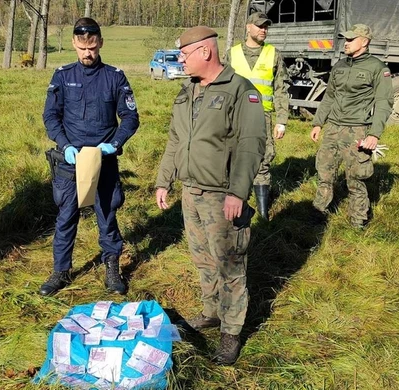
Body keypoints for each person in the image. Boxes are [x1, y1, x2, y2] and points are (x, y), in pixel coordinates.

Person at [155, 26, 265, 365]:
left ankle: (231, 333)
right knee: (203, 259)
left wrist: (238, 192)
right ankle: (212, 312)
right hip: (191, 193)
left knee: (230, 265)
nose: (181, 61)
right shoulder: (187, 92)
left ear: (205, 52)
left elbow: (251, 145)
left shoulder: (240, 91)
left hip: (223, 197)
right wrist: (164, 180)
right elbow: (176, 140)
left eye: (185, 55)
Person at [41, 17, 139, 296]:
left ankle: (112, 270)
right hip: (70, 161)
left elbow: (131, 117)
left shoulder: (115, 77)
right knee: (66, 216)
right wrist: (64, 144)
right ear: (74, 44)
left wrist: (115, 143)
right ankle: (60, 271)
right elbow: (50, 116)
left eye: (93, 48)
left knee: (107, 215)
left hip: (103, 160)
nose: (88, 53)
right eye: (83, 48)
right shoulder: (62, 76)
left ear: (100, 44)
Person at [310, 24, 393, 229]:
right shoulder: (339, 66)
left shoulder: (377, 68)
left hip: (357, 130)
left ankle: (357, 221)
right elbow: (329, 96)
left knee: (356, 178)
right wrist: (318, 122)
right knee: (324, 172)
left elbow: (384, 103)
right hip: (333, 129)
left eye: (350, 40)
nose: (345, 43)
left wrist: (374, 134)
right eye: (345, 39)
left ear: (364, 42)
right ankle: (318, 213)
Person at [227, 12, 291, 221]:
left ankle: (264, 216)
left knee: (263, 159)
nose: (263, 30)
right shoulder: (232, 54)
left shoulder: (274, 54)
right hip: (235, 115)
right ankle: (236, 207)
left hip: (262, 116)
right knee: (233, 158)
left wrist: (281, 120)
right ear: (248, 27)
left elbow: (281, 89)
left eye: (266, 27)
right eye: (259, 26)